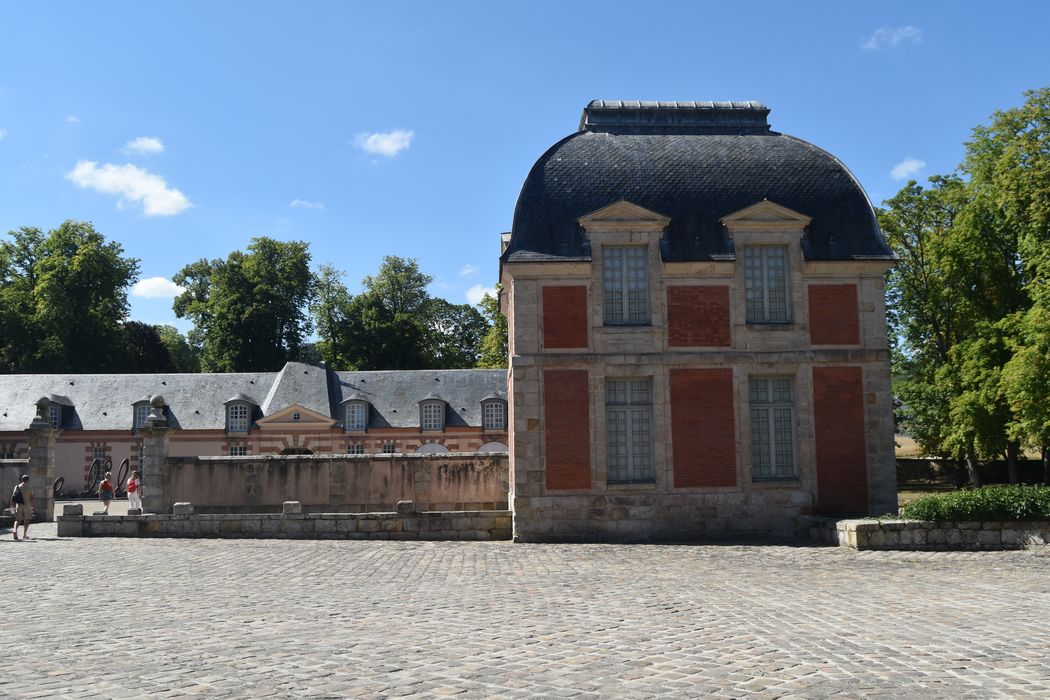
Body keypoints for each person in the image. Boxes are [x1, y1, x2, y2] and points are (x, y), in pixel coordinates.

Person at [11, 475, 33, 541]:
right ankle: (24, 534)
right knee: (27, 520)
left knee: (17, 520)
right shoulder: (29, 487)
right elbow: (32, 497)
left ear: (22, 480)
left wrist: (13, 505)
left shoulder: (17, 486)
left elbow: (13, 496)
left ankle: (14, 530)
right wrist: (32, 506)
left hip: (19, 505)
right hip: (27, 505)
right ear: (28, 480)